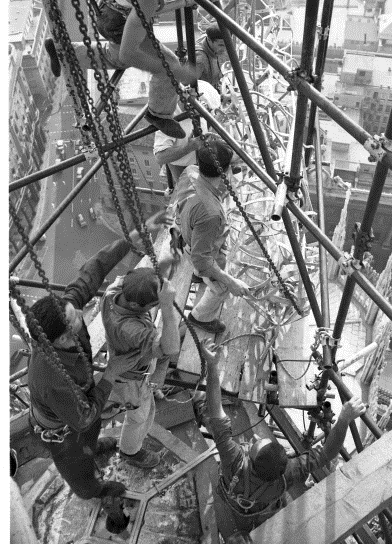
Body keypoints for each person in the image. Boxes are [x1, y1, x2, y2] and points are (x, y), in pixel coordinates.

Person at [27, 213, 166, 530]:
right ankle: (96, 489)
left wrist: (128, 241)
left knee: (91, 437)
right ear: (63, 338)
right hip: (61, 428)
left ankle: (94, 448)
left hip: (79, 398)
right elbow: (84, 416)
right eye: (77, 319)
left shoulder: (61, 319)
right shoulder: (51, 378)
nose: (81, 312)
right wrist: (112, 372)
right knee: (80, 475)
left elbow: (91, 274)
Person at [44, 0, 224, 139]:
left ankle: (63, 52)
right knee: (168, 63)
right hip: (117, 21)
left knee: (118, 56)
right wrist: (177, 72)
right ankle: (159, 114)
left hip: (110, 3)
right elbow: (128, 54)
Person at [199, 339, 367, 541]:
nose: (256, 438)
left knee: (238, 514)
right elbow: (326, 454)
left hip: (233, 500)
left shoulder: (233, 460)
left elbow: (216, 412)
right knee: (264, 516)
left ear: (250, 462)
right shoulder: (289, 472)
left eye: (254, 445)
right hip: (264, 507)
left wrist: (212, 365)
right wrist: (344, 420)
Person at [100, 256, 180, 469]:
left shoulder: (113, 293)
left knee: (143, 410)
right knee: (139, 417)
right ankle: (130, 452)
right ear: (136, 305)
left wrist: (166, 262)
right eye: (152, 306)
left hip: (126, 361)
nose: (154, 308)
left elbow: (136, 278)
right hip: (132, 380)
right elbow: (170, 348)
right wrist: (166, 307)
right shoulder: (131, 329)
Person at [176, 134, 250, 334]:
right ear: (225, 171)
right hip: (200, 250)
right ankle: (201, 318)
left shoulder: (189, 171)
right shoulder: (212, 214)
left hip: (185, 236)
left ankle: (201, 276)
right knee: (221, 287)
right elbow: (201, 259)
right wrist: (230, 281)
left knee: (202, 260)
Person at [153, 79, 221, 185]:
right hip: (183, 167)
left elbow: (216, 112)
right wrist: (189, 147)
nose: (199, 107)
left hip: (206, 158)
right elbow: (160, 157)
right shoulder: (167, 115)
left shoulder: (206, 90)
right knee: (189, 194)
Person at [194, 24, 228, 92]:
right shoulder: (200, 60)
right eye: (221, 45)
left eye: (227, 44)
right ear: (209, 40)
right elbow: (187, 87)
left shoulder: (209, 40)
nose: (225, 49)